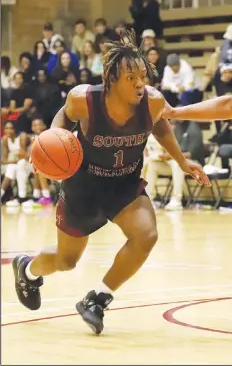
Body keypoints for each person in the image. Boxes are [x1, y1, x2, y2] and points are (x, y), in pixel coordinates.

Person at [12, 32, 210, 336]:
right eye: (131, 77)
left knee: (146, 235)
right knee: (66, 261)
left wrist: (182, 160)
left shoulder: (152, 101)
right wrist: (51, 143)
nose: (140, 83)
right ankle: (27, 270)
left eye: (143, 76)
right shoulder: (84, 100)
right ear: (110, 79)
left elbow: (160, 125)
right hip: (83, 186)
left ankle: (98, 300)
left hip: (124, 183)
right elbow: (61, 121)